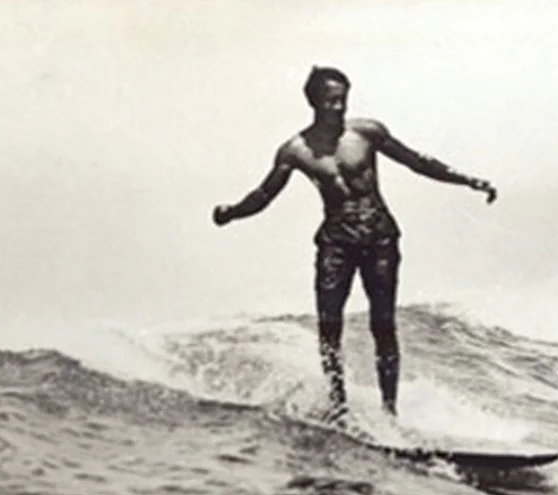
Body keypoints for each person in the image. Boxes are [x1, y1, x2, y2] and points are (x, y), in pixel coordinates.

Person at [212, 66, 497, 426]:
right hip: (336, 242)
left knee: (383, 324)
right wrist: (233, 212)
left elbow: (417, 162)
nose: (339, 107)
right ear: (314, 101)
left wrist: (468, 180)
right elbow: (265, 194)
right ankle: (338, 405)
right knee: (329, 325)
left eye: (343, 99)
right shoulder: (295, 150)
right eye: (331, 100)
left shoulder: (367, 132)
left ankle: (390, 414)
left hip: (379, 236)